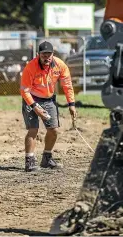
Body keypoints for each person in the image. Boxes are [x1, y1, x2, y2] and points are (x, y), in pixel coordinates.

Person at [20, 41, 77, 172]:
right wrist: (35, 107)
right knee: (33, 130)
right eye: (43, 54)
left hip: (48, 99)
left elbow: (67, 85)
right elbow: (24, 90)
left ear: (53, 54)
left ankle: (46, 158)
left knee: (54, 130)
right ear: (38, 54)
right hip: (31, 99)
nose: (46, 57)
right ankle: (29, 161)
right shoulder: (31, 67)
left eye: (49, 54)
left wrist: (71, 104)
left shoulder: (60, 65)